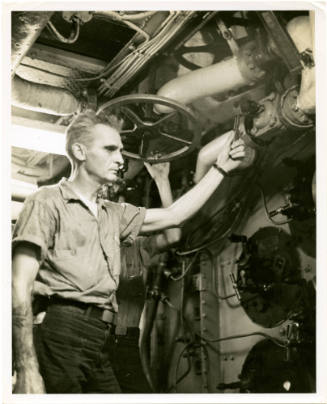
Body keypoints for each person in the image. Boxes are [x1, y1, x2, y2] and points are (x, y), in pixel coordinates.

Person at [12, 110, 254, 393]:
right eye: (110, 149)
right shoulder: (47, 202)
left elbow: (174, 216)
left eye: (121, 151)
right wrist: (26, 367)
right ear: (79, 151)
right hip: (62, 328)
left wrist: (221, 168)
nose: (120, 159)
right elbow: (18, 284)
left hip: (100, 335)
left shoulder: (113, 213)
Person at [109, 161, 181, 393]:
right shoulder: (90, 242)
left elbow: (173, 235)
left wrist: (162, 180)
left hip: (127, 342)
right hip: (95, 338)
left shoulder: (137, 247)